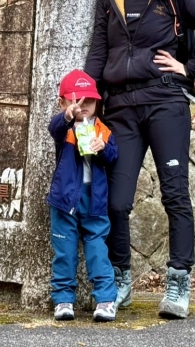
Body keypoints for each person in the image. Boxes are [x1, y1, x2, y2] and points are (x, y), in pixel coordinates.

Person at [84, 0, 195, 319]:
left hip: (166, 104)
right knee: (116, 202)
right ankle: (120, 278)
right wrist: (88, 98)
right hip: (120, 110)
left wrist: (190, 68)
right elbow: (98, 51)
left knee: (175, 194)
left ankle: (179, 280)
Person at [47, 69, 119, 322]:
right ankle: (63, 300)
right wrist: (68, 116)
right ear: (63, 102)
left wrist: (103, 148)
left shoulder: (102, 129)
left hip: (95, 199)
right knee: (64, 251)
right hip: (64, 198)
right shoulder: (64, 128)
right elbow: (54, 129)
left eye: (90, 100)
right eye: (77, 100)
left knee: (97, 248)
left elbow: (113, 156)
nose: (84, 105)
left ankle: (106, 299)